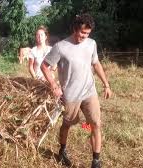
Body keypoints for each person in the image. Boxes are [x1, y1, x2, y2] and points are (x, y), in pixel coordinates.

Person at [40, 14, 112, 168]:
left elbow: (96, 63)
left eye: (87, 33)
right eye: (81, 33)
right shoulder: (60, 47)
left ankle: (96, 161)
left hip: (89, 91)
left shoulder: (91, 44)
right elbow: (44, 66)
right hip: (70, 95)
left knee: (96, 124)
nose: (84, 36)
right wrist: (53, 84)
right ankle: (62, 151)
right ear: (74, 29)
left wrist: (106, 84)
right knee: (67, 124)